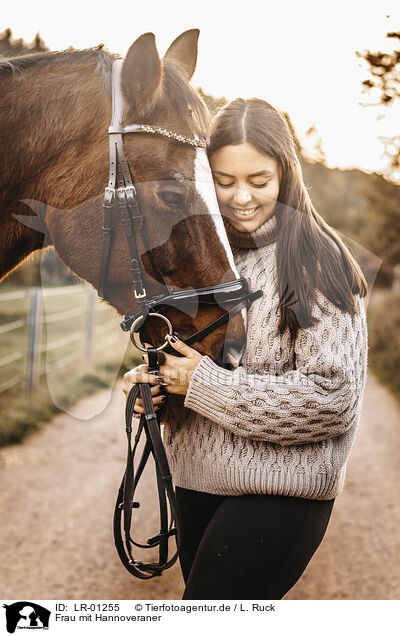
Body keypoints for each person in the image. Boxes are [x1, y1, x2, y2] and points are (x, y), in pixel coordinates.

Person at [123, 98, 368, 600]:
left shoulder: (318, 261)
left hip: (282, 492)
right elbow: (186, 369)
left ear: (287, 172)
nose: (241, 198)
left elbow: (332, 402)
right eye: (223, 180)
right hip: (194, 483)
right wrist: (160, 389)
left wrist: (203, 384)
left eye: (259, 181)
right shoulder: (193, 256)